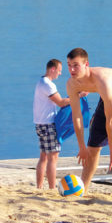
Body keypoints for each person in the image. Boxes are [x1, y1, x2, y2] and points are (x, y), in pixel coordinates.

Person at [64, 48, 112, 202]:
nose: (71, 69)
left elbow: (111, 120)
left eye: (76, 65)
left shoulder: (101, 80)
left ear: (86, 64)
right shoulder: (71, 84)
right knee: (92, 147)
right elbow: (77, 116)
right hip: (106, 98)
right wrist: (81, 147)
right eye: (69, 65)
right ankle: (82, 190)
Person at [33, 59, 70, 189]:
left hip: (40, 124)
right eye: (59, 71)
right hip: (48, 125)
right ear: (52, 69)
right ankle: (52, 188)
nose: (59, 74)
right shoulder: (48, 85)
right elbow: (61, 102)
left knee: (43, 156)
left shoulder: (40, 82)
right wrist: (77, 97)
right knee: (53, 158)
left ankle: (39, 186)